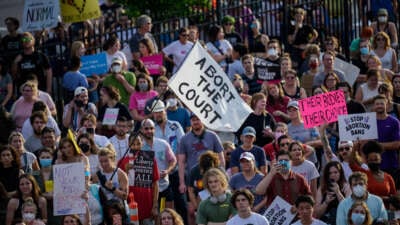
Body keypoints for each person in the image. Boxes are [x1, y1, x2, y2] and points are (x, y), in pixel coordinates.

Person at [178, 113, 225, 193]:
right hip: (193, 176)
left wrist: (222, 175)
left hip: (212, 176)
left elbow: (221, 157)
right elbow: (181, 162)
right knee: (194, 202)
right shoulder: (184, 139)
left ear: (203, 120)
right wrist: (182, 183)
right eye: (193, 120)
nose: (195, 122)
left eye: (198, 119)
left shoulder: (212, 135)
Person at [118, 134, 159, 224]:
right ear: (129, 144)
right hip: (130, 205)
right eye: (133, 144)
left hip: (148, 205)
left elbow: (155, 183)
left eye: (138, 143)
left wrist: (155, 205)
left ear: (142, 143)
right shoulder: (122, 161)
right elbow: (119, 186)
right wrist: (126, 170)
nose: (136, 146)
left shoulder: (150, 160)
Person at [140, 118, 177, 209]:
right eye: (146, 128)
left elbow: (173, 160)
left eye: (151, 128)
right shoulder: (139, 146)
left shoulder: (163, 144)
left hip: (164, 187)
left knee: (166, 214)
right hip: (148, 190)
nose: (149, 131)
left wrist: (167, 171)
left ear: (154, 129)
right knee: (153, 217)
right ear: (141, 130)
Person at [373, 95, 400, 176]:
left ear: (387, 105)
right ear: (374, 106)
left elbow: (397, 144)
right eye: (377, 104)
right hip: (373, 165)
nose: (379, 106)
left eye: (382, 104)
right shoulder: (368, 121)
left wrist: (376, 145)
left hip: (390, 165)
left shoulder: (394, 122)